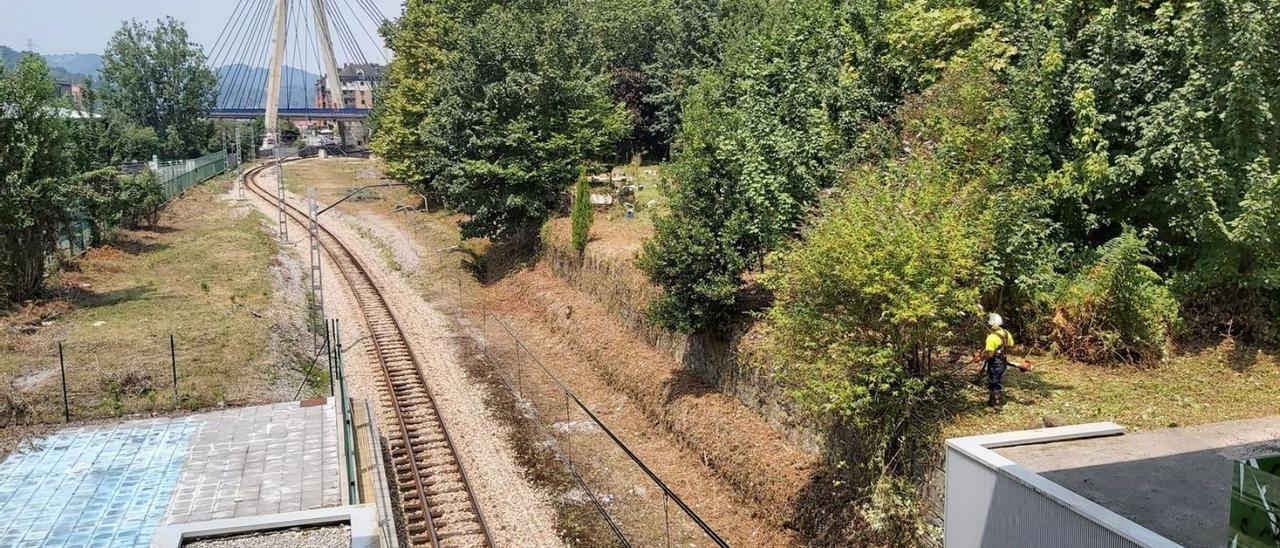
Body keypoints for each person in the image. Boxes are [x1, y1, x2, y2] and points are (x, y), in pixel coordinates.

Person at [976, 313, 1032, 408]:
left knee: (994, 381)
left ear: (989, 324)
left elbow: (989, 354)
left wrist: (980, 358)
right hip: (1003, 360)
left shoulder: (991, 337)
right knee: (995, 380)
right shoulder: (1006, 333)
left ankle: (997, 403)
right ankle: (991, 401)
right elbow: (1010, 345)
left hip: (995, 362)